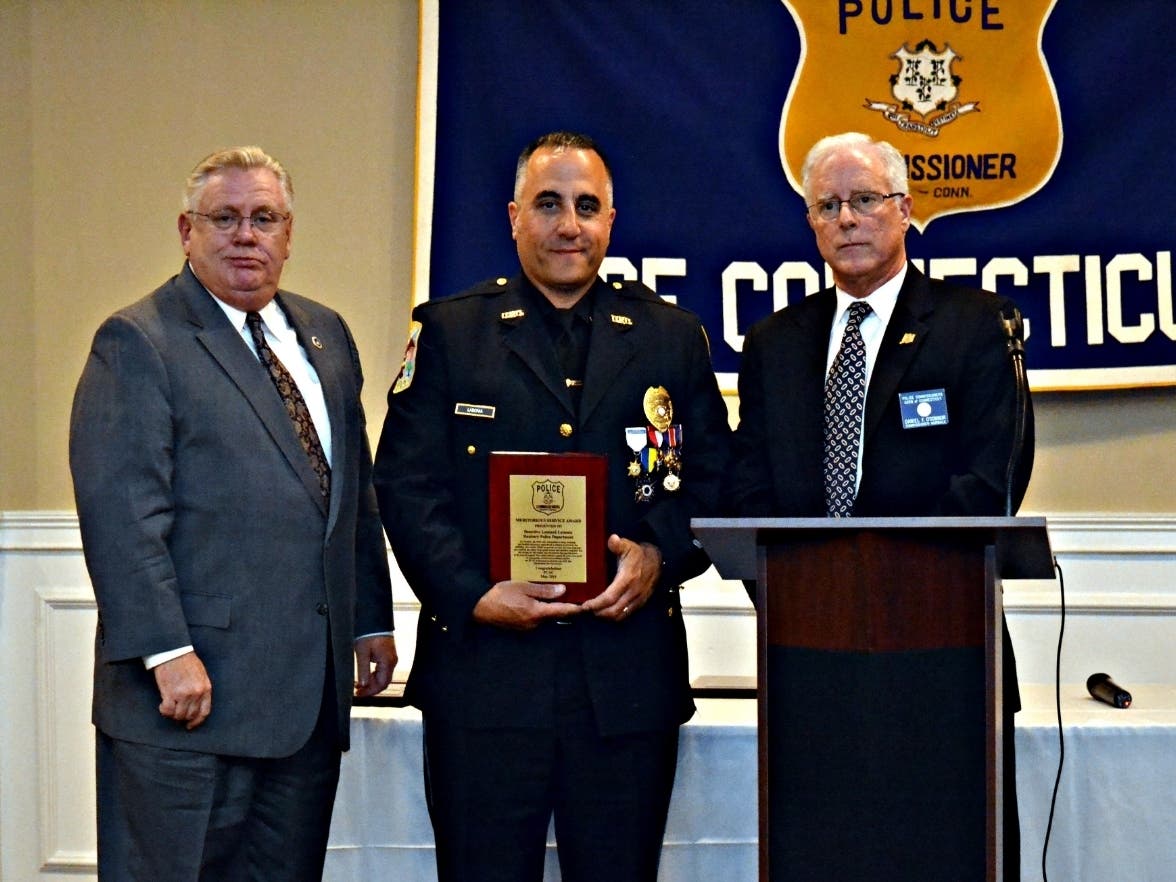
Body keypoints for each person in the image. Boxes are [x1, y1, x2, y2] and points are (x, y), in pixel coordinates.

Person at [373, 131, 730, 882]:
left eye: (587, 207)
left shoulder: (672, 337)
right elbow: (405, 486)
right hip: (485, 685)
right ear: (513, 217)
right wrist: (472, 594)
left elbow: (715, 483)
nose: (569, 225)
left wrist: (659, 557)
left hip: (626, 685)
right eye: (548, 204)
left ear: (610, 220)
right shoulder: (449, 332)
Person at [69, 146, 397, 881]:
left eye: (264, 218)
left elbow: (352, 497)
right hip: (188, 705)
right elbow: (124, 517)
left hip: (304, 708)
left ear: (288, 232)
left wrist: (371, 617)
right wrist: (166, 652)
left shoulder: (325, 336)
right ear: (187, 231)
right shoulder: (139, 341)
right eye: (225, 218)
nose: (245, 235)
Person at [730, 131, 1033, 880]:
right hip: (810, 657)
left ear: (905, 210)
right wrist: (804, 591)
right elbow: (749, 490)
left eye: (864, 200)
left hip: (945, 654)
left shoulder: (972, 326)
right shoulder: (776, 343)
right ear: (809, 223)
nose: (846, 219)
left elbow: (991, 478)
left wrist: (879, 578)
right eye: (827, 206)